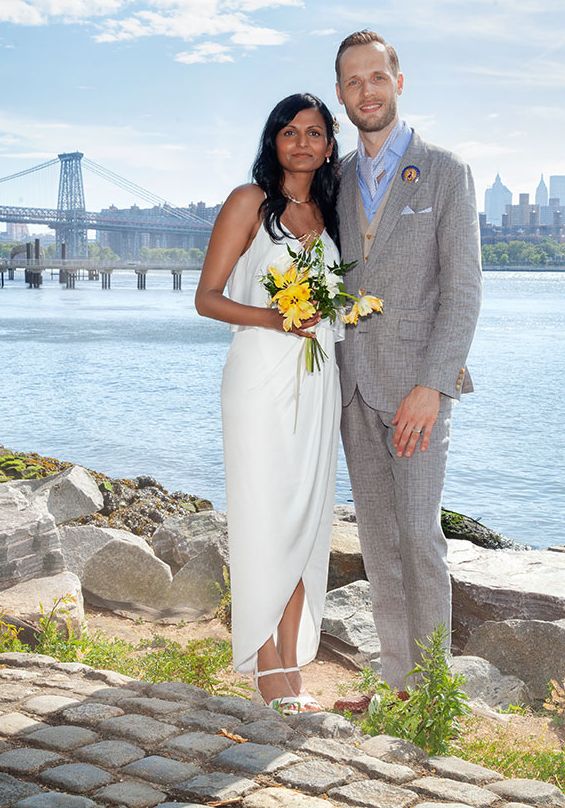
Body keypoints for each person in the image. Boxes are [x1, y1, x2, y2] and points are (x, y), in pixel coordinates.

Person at [331, 30, 482, 698]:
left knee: (419, 539)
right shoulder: (334, 177)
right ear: (341, 94)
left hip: (418, 390)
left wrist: (432, 385)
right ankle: (398, 684)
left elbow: (463, 291)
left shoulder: (445, 170)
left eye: (377, 77)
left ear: (399, 80)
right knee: (377, 542)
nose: (367, 91)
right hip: (353, 385)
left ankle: (435, 695)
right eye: (353, 81)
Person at [193, 92, 342, 714]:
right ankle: (265, 668)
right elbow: (206, 297)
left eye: (314, 133)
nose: (302, 143)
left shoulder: (332, 213)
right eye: (290, 132)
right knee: (265, 516)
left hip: (319, 378)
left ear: (330, 145)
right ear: (273, 141)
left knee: (307, 518)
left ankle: (292, 666)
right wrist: (277, 319)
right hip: (260, 375)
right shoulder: (248, 203)